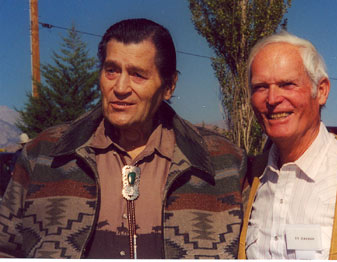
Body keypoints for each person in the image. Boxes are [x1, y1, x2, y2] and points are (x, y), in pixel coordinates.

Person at [0, 18, 246, 259]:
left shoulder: (224, 164)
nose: (120, 87)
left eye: (137, 74)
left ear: (169, 86)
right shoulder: (44, 155)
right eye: (111, 71)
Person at [238, 31, 337, 260]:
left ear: (321, 91)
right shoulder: (250, 176)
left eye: (287, 84)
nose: (272, 99)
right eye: (260, 87)